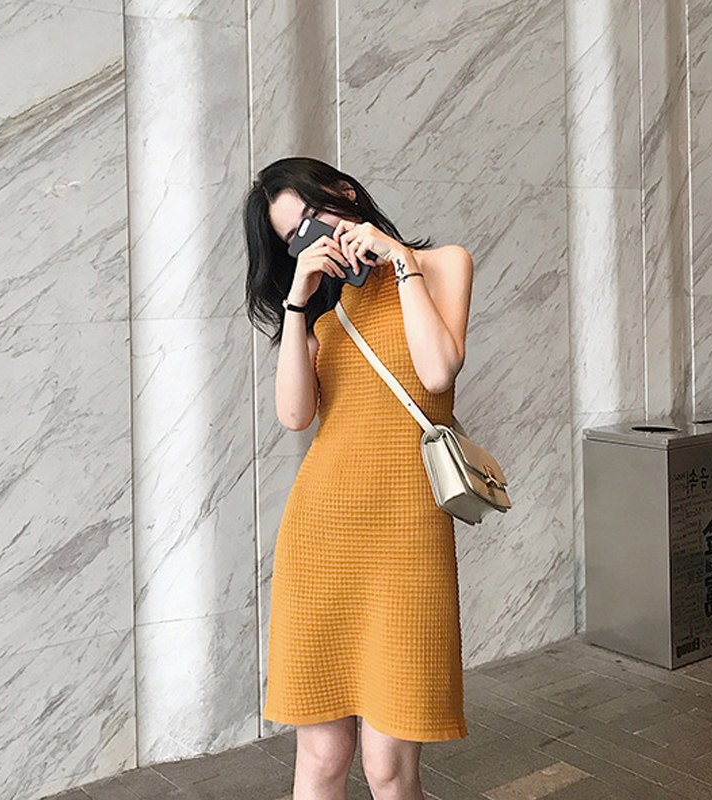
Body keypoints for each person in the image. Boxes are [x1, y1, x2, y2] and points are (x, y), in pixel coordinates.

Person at [244, 157, 473, 800]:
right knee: (321, 758)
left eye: (314, 216)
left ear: (343, 193)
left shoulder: (443, 264)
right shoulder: (320, 308)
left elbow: (438, 372)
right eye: (294, 236)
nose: (312, 237)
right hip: (321, 536)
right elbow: (295, 415)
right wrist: (297, 298)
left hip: (406, 537)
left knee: (388, 769)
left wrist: (399, 260)